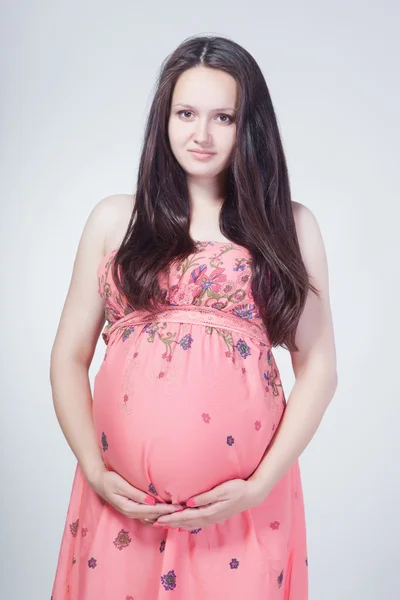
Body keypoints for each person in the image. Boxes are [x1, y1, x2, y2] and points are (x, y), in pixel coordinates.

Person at [50, 34, 337, 600]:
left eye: (222, 117)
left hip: (242, 515)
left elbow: (320, 370)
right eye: (185, 113)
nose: (200, 134)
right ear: (165, 118)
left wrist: (257, 488)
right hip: (119, 509)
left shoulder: (291, 227)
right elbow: (68, 356)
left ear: (248, 126)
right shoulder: (115, 220)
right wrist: (96, 469)